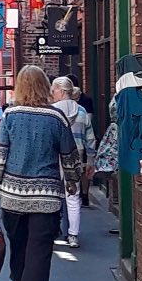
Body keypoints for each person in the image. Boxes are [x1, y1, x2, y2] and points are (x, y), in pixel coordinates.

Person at [0, 66, 81, 281]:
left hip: (13, 196)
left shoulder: (11, 116)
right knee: (40, 252)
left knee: (19, 248)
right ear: (45, 87)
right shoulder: (56, 117)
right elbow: (69, 155)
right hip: (48, 197)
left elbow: (0, 154)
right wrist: (73, 180)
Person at [51, 76, 96, 248]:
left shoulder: (52, 111)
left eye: (54, 90)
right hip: (76, 157)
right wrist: (90, 160)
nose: (52, 93)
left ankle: (54, 230)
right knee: (73, 197)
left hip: (55, 158)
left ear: (61, 91)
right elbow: (90, 139)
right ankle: (73, 235)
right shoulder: (82, 112)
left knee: (53, 195)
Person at [67, 74, 95, 205]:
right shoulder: (85, 99)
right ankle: (85, 195)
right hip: (83, 139)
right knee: (84, 168)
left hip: (69, 140)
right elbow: (89, 119)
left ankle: (74, 193)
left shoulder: (61, 103)